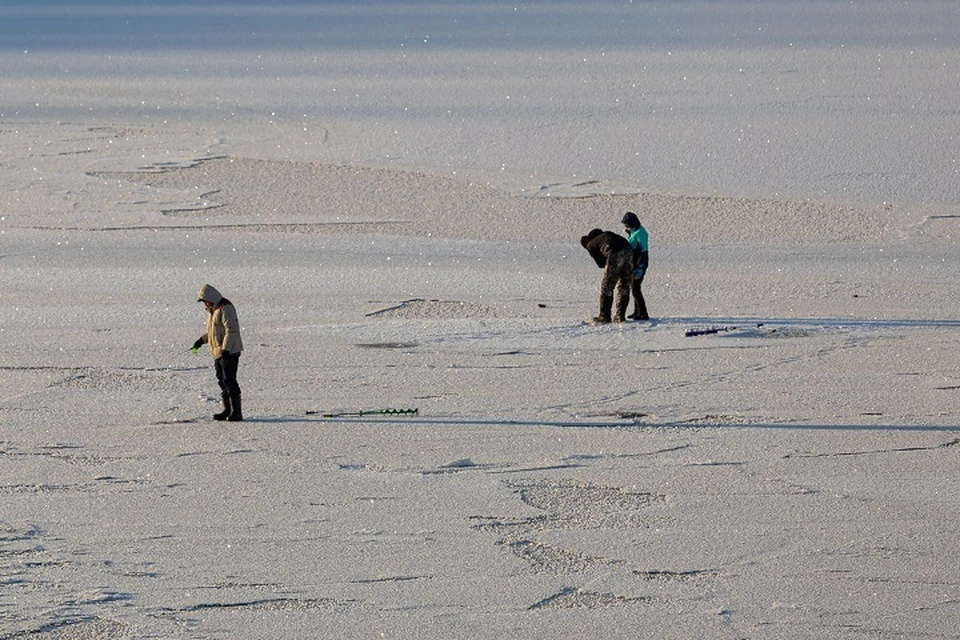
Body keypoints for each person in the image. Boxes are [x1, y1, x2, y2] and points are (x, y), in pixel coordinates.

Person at [192, 284, 244, 421]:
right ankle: (227, 410)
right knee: (222, 380)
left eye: (205, 302)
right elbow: (213, 333)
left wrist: (226, 349)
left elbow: (231, 331)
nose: (205, 305)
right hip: (219, 353)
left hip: (230, 352)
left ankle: (236, 412)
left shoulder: (225, 308)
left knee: (230, 380)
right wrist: (201, 341)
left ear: (210, 299)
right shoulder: (213, 312)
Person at [580, 228, 633, 323]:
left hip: (615, 255)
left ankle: (604, 316)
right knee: (624, 286)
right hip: (629, 252)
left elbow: (601, 264)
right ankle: (620, 316)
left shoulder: (590, 244)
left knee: (607, 287)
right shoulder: (605, 235)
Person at [621, 211, 650, 320]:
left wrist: (640, 268)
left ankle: (643, 313)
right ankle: (637, 311)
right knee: (634, 287)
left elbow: (643, 252)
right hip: (634, 264)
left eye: (627, 225)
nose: (625, 227)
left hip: (639, 265)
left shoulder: (640, 233)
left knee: (636, 288)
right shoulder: (634, 231)